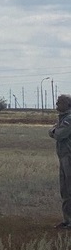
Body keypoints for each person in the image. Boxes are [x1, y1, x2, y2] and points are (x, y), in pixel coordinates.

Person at [49, 93, 71, 229]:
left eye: (59, 102)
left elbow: (59, 134)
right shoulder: (63, 119)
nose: (57, 104)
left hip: (69, 157)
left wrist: (53, 131)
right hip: (63, 157)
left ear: (67, 104)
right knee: (65, 189)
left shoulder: (68, 119)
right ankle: (67, 220)